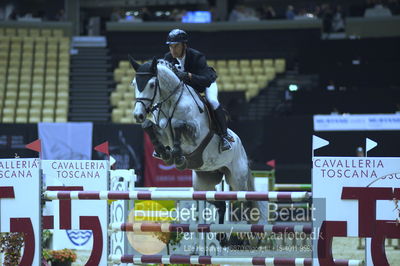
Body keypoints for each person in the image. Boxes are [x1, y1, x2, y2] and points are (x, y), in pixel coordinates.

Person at [163, 29, 233, 151]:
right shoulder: (168, 58)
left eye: (176, 46)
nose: (173, 50)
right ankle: (164, 142)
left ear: (184, 45)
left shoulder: (196, 56)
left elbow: (205, 80)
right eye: (170, 46)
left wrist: (188, 75)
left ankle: (224, 135)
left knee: (213, 101)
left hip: (205, 84)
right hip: (186, 88)